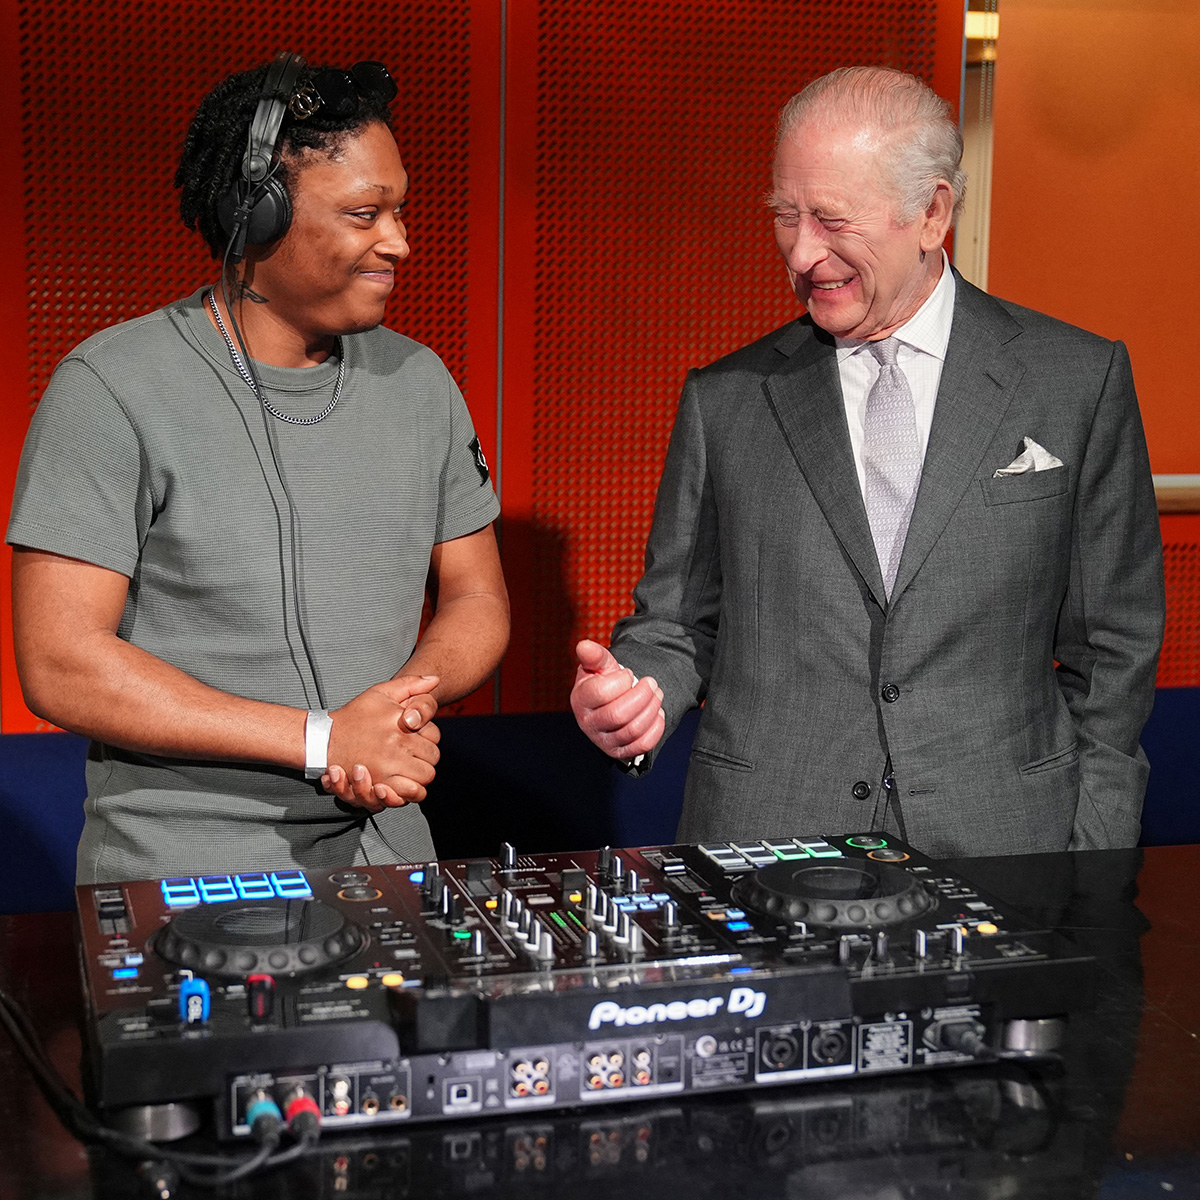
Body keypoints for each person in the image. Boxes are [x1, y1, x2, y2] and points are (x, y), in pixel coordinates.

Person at [570, 66, 1164, 858]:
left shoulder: (1075, 382)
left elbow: (1114, 648)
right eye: (785, 215)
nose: (802, 252)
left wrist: (1093, 845)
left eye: (830, 219)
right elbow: (676, 622)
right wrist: (640, 692)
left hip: (1009, 844)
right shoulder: (727, 399)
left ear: (932, 214)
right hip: (770, 844)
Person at [7, 53, 509, 883]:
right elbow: (61, 662)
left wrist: (396, 711)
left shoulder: (421, 382)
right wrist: (321, 739)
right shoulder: (110, 387)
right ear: (258, 212)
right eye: (364, 214)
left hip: (390, 859)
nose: (399, 242)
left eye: (400, 211)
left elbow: (477, 597)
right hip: (183, 875)